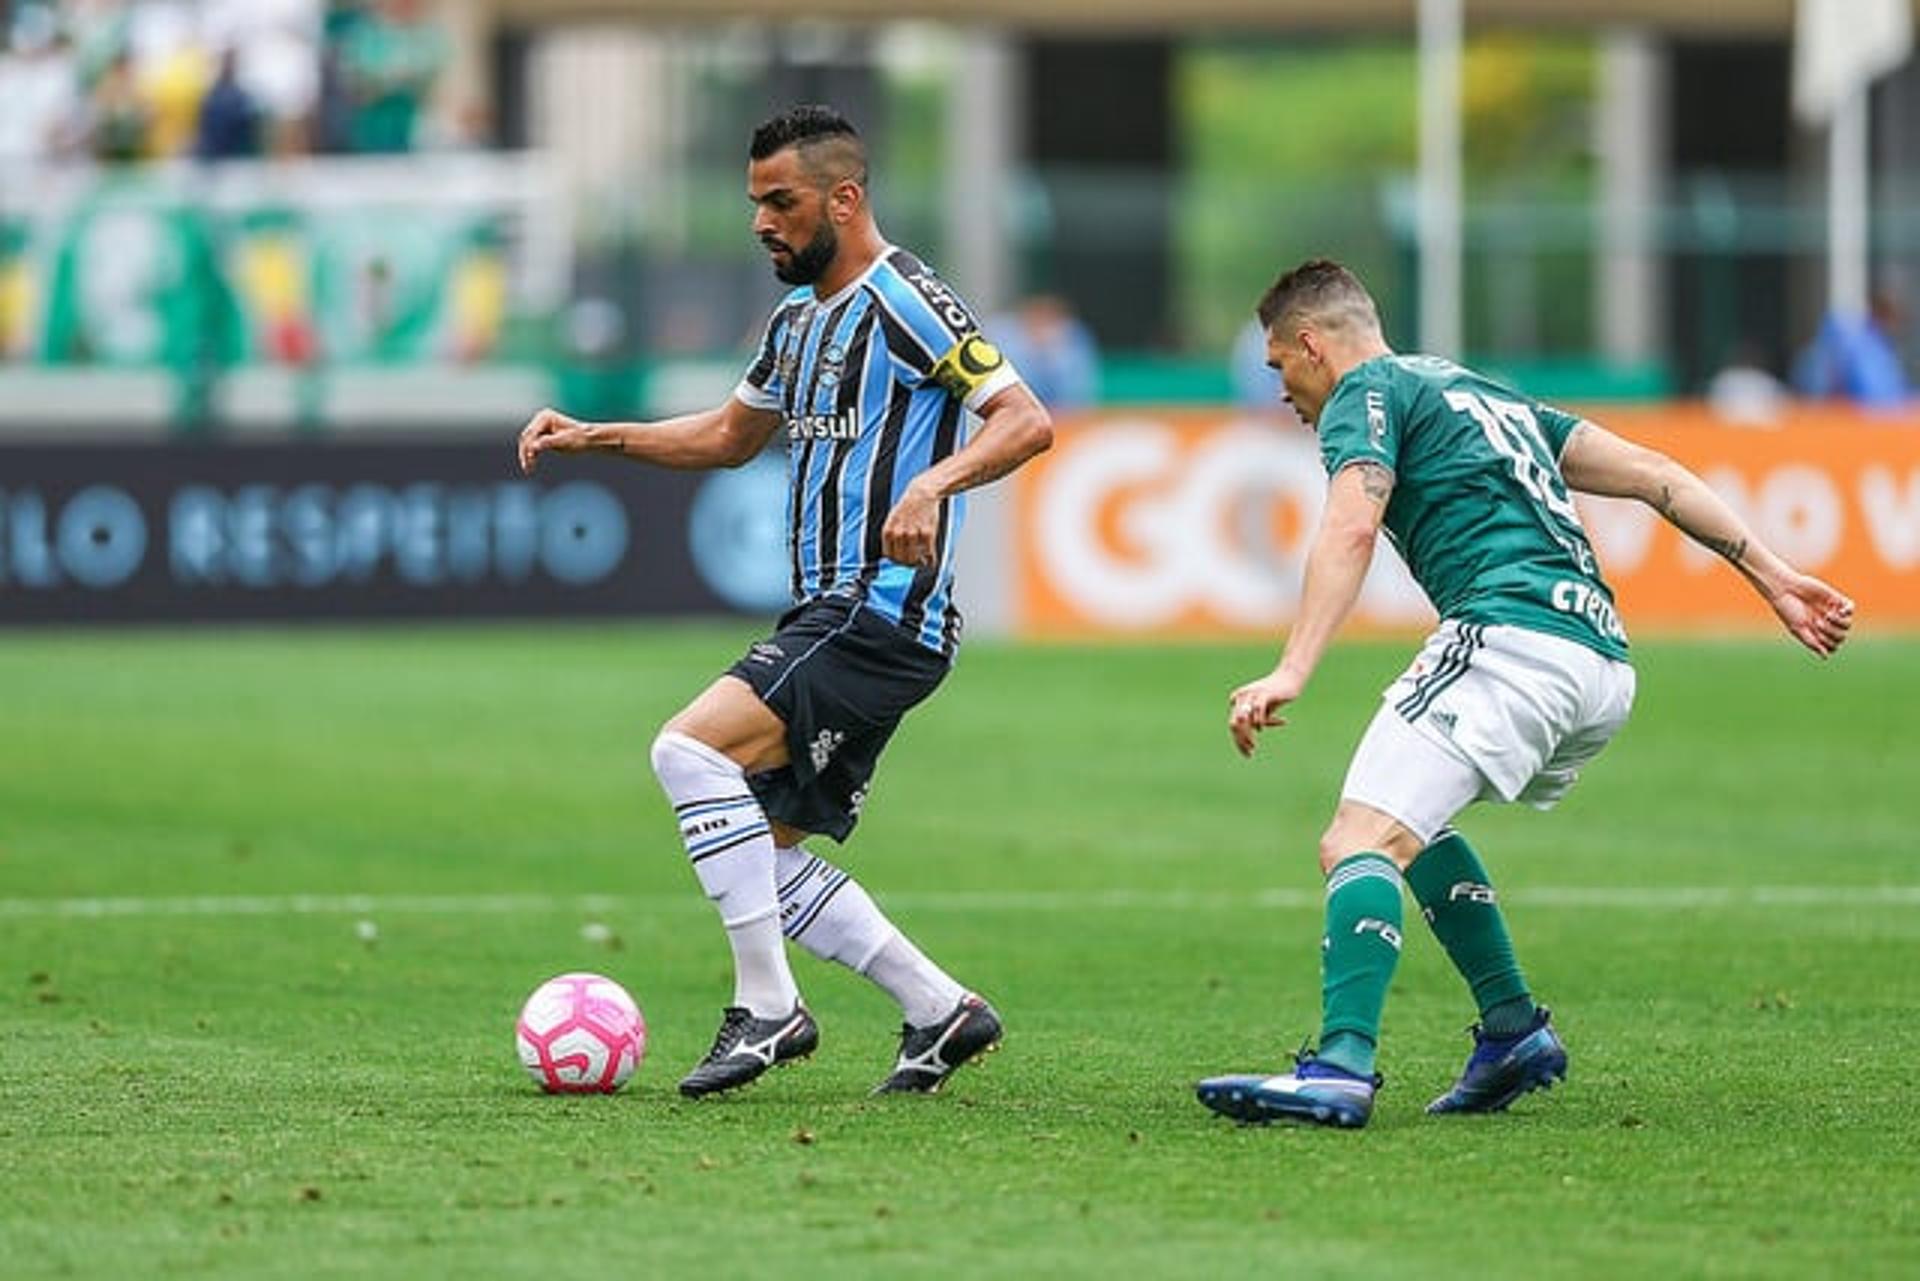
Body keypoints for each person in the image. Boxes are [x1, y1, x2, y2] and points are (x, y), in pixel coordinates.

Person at [1195, 259, 1854, 1130]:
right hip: (1602, 662)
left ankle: (1341, 1064)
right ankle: (1511, 1031)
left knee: (1355, 839)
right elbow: (1655, 472)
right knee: (1412, 821)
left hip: (1510, 639)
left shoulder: (1367, 393)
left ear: (1312, 345)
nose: (1284, 391)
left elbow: (1352, 522)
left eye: (1280, 366)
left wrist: (1291, 668)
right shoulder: (1485, 394)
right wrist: (1771, 575)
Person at [516, 105, 1052, 1100]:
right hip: (836, 615)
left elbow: (1024, 421)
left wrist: (933, 485)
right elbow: (728, 436)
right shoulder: (799, 320)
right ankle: (941, 1010)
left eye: (781, 201)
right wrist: (598, 436)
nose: (761, 221)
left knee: (686, 751)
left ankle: (769, 1008)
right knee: (758, 851)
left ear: (844, 199)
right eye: (755, 201)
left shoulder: (910, 299)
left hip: (879, 610)